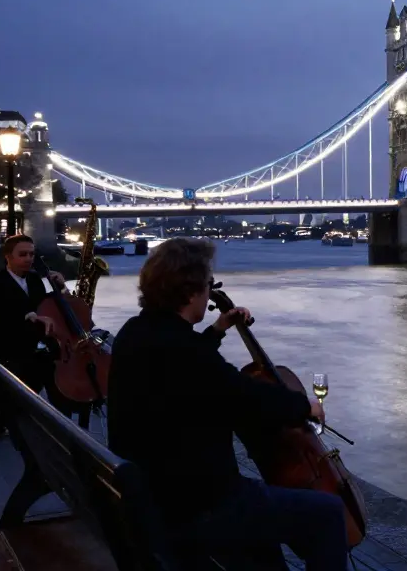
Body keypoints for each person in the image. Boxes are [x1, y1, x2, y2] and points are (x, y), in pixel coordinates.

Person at [107, 237, 347, 569]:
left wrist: (217, 330)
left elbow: (190, 372)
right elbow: (243, 395)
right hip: (196, 504)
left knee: (266, 528)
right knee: (327, 513)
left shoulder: (136, 332)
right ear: (191, 292)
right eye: (208, 285)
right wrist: (305, 406)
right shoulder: (182, 350)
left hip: (154, 493)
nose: (210, 293)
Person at [0, 235, 89, 430]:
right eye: (22, 254)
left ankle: (67, 429)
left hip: (41, 351)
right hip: (11, 353)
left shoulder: (35, 281)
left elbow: (50, 307)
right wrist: (27, 315)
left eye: (31, 254)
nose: (29, 258)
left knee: (59, 387)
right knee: (23, 399)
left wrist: (61, 288)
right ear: (8, 257)